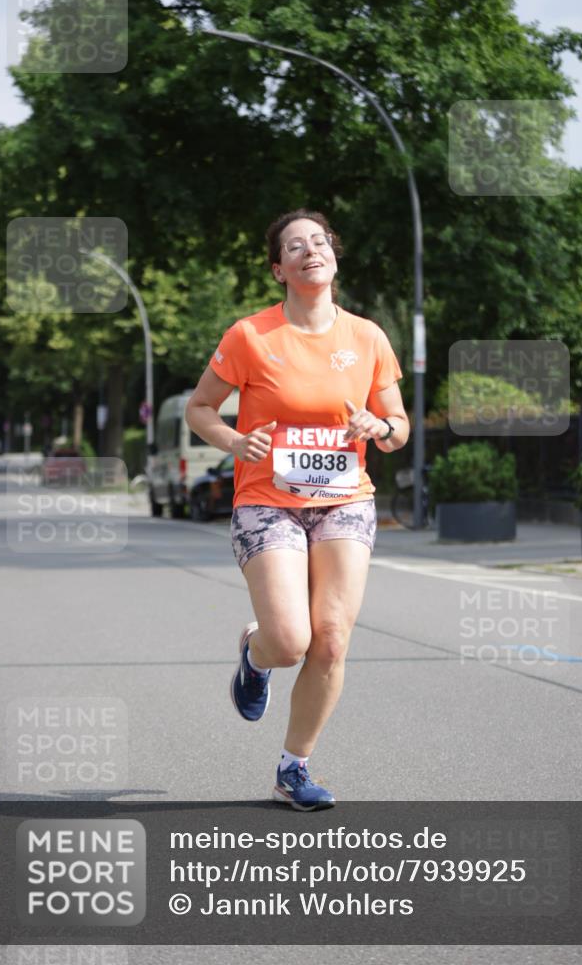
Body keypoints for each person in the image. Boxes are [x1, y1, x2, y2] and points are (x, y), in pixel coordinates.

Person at [185, 208, 409, 810]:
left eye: (319, 241)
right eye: (295, 246)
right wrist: (235, 440)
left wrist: (379, 423)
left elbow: (399, 429)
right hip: (267, 501)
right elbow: (200, 408)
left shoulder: (367, 337)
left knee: (331, 641)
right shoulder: (250, 336)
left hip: (344, 500)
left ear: (333, 255)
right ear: (279, 269)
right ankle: (257, 653)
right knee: (290, 641)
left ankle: (294, 767)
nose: (310, 250)